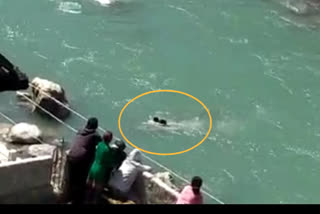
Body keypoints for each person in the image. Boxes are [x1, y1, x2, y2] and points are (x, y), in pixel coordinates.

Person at [66, 117, 102, 204]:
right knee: (81, 180)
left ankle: (70, 198)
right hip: (81, 159)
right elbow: (101, 145)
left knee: (72, 179)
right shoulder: (95, 135)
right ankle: (78, 200)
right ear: (96, 126)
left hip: (71, 156)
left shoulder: (80, 130)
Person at [85, 131, 114, 204]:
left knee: (89, 188)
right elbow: (110, 162)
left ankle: (86, 200)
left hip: (93, 166)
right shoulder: (108, 150)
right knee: (97, 191)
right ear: (110, 139)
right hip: (100, 170)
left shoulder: (99, 144)